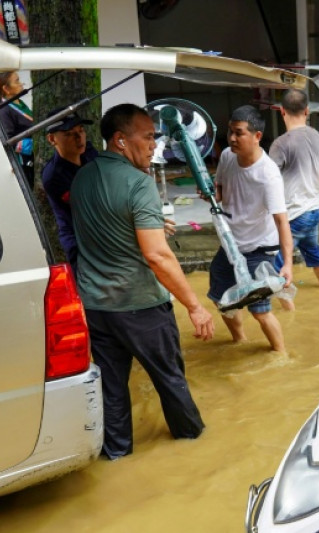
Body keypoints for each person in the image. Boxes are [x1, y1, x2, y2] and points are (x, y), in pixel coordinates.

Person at [71, 103, 215, 460]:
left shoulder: (82, 177)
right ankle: (196, 448)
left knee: (113, 390)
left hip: (97, 306)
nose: (155, 145)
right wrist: (195, 307)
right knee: (171, 382)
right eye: (148, 136)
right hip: (141, 306)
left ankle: (118, 456)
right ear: (120, 140)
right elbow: (157, 255)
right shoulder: (139, 184)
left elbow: (106, 229)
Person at [209, 105, 294, 353]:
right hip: (231, 244)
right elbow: (221, 192)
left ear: (257, 136)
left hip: (259, 247)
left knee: (260, 311)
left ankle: (281, 354)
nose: (232, 138)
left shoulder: (268, 174)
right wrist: (210, 194)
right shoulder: (226, 156)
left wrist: (287, 263)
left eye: (239, 133)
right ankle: (239, 341)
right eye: (230, 132)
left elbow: (282, 221)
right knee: (222, 301)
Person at [268, 90, 319, 310]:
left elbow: (268, 181)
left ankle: (290, 315)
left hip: (293, 214)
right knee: (313, 253)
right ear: (307, 111)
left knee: (278, 266)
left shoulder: (280, 144)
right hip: (314, 210)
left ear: (281, 111)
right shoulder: (318, 138)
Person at [41, 108, 98, 273]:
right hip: (82, 244)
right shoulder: (53, 176)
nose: (79, 138)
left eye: (81, 131)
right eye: (68, 134)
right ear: (52, 139)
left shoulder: (88, 153)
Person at [0, 71, 34, 186]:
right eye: (17, 81)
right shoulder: (3, 110)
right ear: (6, 88)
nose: (22, 84)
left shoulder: (19, 102)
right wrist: (33, 145)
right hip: (23, 163)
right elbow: (8, 140)